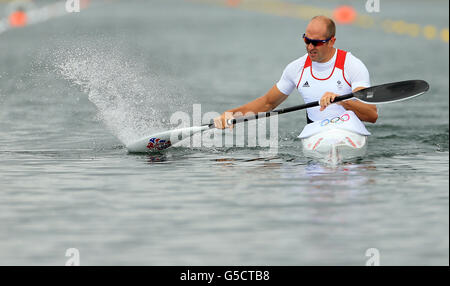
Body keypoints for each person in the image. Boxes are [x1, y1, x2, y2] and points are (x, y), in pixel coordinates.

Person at [213, 15, 378, 130]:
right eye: (307, 40)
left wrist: (343, 101)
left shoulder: (352, 65)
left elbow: (372, 116)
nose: (310, 47)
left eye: (316, 43)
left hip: (349, 131)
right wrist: (231, 114)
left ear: (331, 41)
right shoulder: (296, 69)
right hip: (316, 135)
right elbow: (267, 103)